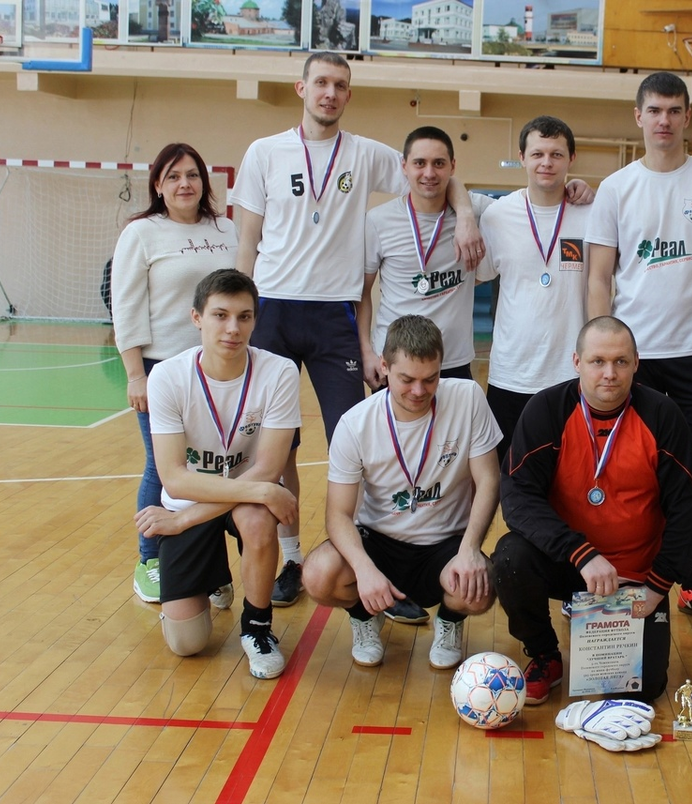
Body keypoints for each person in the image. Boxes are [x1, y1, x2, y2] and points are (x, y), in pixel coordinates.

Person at [231, 51, 484, 612]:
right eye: (321, 82)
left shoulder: (367, 154)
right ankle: (291, 557)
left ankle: (378, 559)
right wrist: (240, 312)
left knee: (362, 439)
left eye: (340, 85)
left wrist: (465, 212)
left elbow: (433, 175)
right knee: (277, 445)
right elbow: (247, 239)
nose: (330, 92)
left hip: (335, 316)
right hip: (272, 308)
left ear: (348, 94)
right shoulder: (264, 152)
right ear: (301, 88)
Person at [586, 72, 692, 630]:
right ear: (639, 116)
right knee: (628, 472)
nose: (664, 120)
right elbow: (599, 276)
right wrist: (599, 351)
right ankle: (632, 573)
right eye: (654, 110)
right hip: (633, 358)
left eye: (674, 110)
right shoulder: (616, 188)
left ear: (687, 117)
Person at [494, 316, 692, 704]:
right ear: (577, 362)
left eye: (621, 361)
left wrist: (657, 587)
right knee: (510, 557)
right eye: (598, 362)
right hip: (571, 564)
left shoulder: (662, 416)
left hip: (635, 580)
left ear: (636, 363)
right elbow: (518, 498)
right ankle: (544, 654)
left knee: (642, 690)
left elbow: (689, 511)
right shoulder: (547, 410)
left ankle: (614, 631)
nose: (610, 373)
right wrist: (581, 552)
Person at [302, 315, 501, 670]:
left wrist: (470, 549)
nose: (419, 391)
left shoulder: (468, 398)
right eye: (407, 380)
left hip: (444, 543)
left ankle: (449, 622)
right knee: (318, 574)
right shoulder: (355, 424)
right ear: (384, 366)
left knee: (480, 587)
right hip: (379, 541)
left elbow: (488, 480)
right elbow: (338, 514)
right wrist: (363, 568)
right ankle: (364, 617)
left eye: (430, 379)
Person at [135, 269, 301, 679]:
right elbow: (174, 478)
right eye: (220, 315)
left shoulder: (280, 372)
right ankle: (215, 578)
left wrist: (182, 521)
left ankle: (257, 627)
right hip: (196, 496)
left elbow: (268, 468)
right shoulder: (167, 377)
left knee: (259, 520)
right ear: (197, 318)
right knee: (186, 644)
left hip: (235, 501)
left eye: (244, 317)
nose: (233, 328)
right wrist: (263, 490)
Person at [112, 142, 238, 604]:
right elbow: (126, 306)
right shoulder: (142, 233)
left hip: (219, 369)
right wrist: (135, 374)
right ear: (158, 186)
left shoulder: (226, 229)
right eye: (173, 176)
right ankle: (150, 559)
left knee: (214, 465)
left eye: (192, 175)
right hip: (161, 369)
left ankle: (210, 567)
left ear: (204, 181)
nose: (185, 184)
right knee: (162, 465)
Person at [481, 115, 591, 461]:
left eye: (556, 154)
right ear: (522, 157)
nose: (547, 163)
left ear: (571, 158)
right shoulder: (497, 216)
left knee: (568, 475)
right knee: (507, 472)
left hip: (571, 373)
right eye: (538, 154)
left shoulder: (593, 213)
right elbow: (480, 275)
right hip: (511, 373)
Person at [359, 127, 497, 387]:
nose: (429, 173)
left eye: (439, 163)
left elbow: (529, 207)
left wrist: (572, 189)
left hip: (453, 362)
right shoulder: (378, 221)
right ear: (404, 166)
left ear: (453, 166)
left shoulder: (477, 210)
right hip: (396, 362)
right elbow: (362, 293)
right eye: (420, 163)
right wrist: (366, 352)